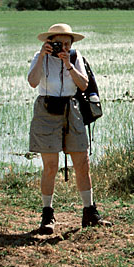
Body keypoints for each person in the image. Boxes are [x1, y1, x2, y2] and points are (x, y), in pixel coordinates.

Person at [27, 23, 111, 234]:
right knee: (50, 166)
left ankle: (89, 212)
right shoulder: (40, 56)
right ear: (49, 42)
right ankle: (47, 215)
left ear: (71, 43)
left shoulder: (75, 57)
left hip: (72, 109)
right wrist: (42, 57)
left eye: (66, 43)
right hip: (46, 109)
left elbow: (83, 85)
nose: (62, 47)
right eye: (57, 43)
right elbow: (32, 82)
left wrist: (69, 64)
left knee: (82, 162)